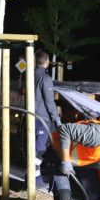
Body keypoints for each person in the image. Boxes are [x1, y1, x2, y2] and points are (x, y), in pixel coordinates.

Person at [32, 50, 61, 186]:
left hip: (31, 115)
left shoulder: (31, 74)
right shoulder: (45, 78)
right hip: (41, 118)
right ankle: (36, 180)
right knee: (39, 150)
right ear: (47, 61)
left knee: (33, 147)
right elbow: (49, 102)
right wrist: (56, 119)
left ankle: (32, 177)